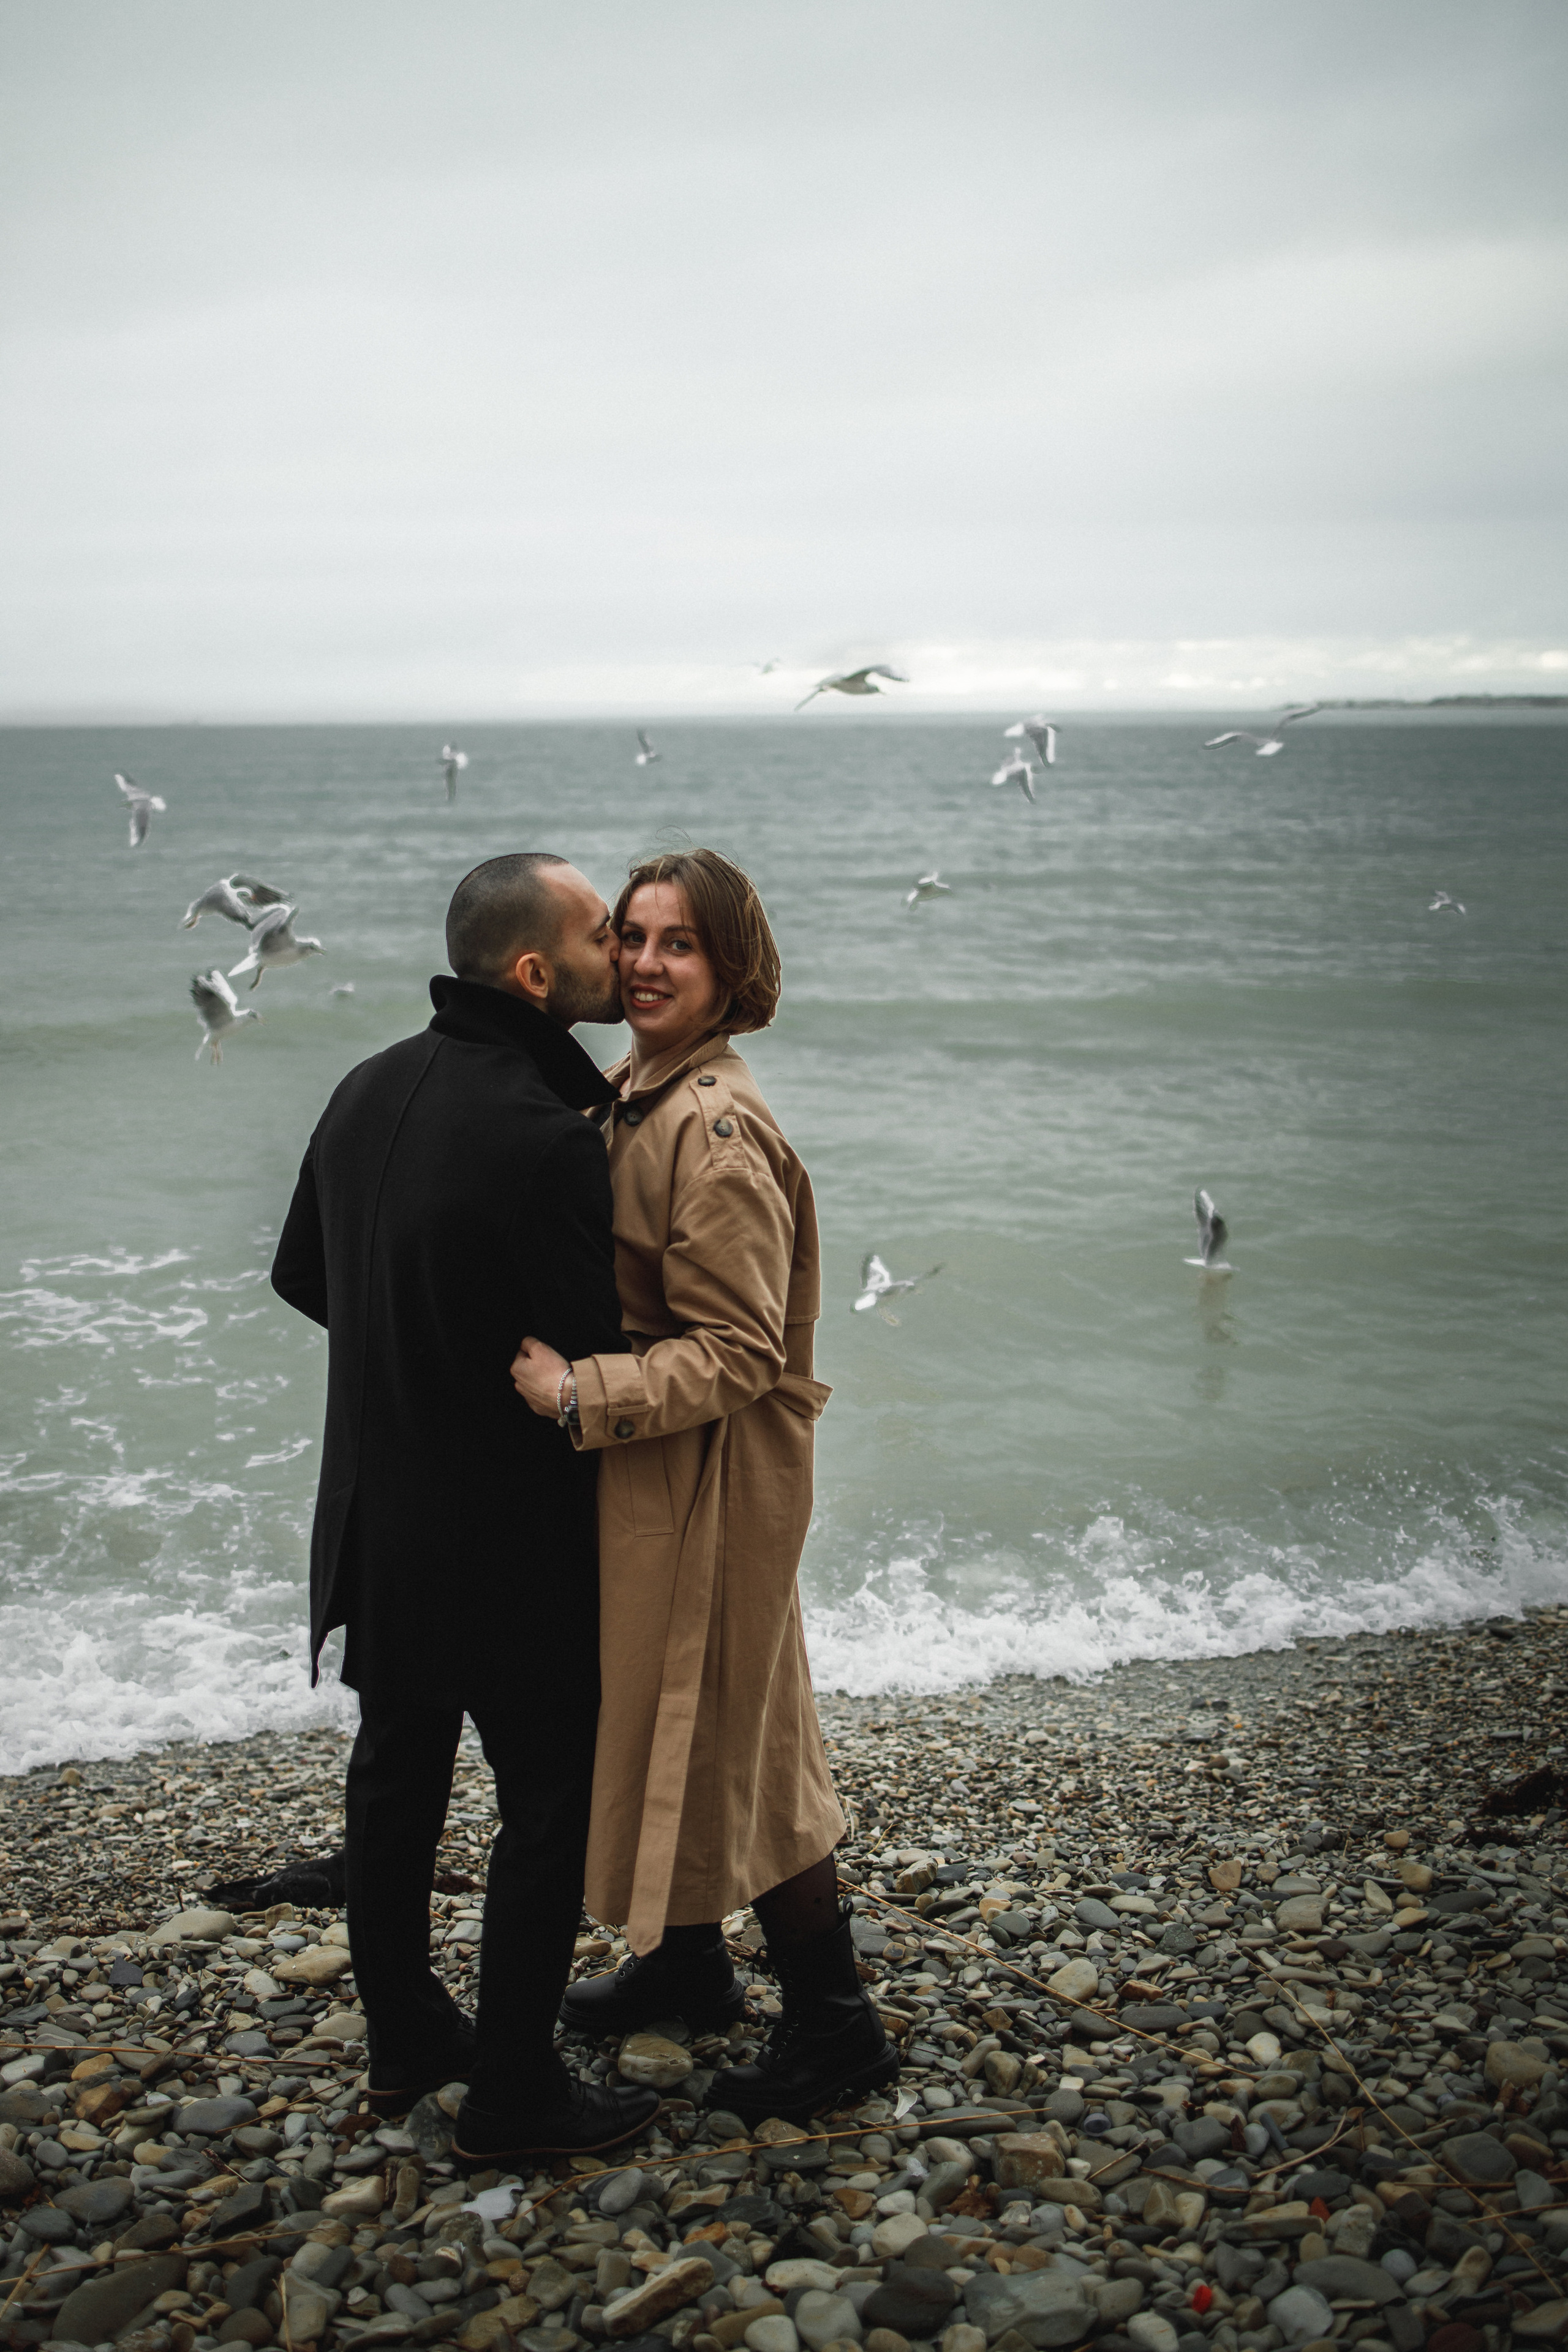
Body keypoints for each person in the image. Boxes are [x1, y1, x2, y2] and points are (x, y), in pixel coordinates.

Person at [270, 853, 660, 2163]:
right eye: (603, 935)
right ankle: (514, 2096)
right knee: (545, 1798)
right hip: (507, 1537)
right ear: (536, 974)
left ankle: (404, 2039)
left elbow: (305, 1279)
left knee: (396, 1778)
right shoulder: (547, 1136)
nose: (625, 955)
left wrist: (418, 1340)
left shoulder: (365, 1085)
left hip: (376, 1515)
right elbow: (589, 1347)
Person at [511, 847, 895, 2122]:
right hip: (661, 1478)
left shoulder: (715, 1130)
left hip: (717, 1480)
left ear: (730, 970)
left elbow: (737, 1353)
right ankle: (684, 1964)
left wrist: (581, 1395)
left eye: (677, 943)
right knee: (663, 1708)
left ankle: (838, 2032)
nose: (642, 962)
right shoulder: (635, 1086)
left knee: (746, 1733)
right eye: (630, 936)